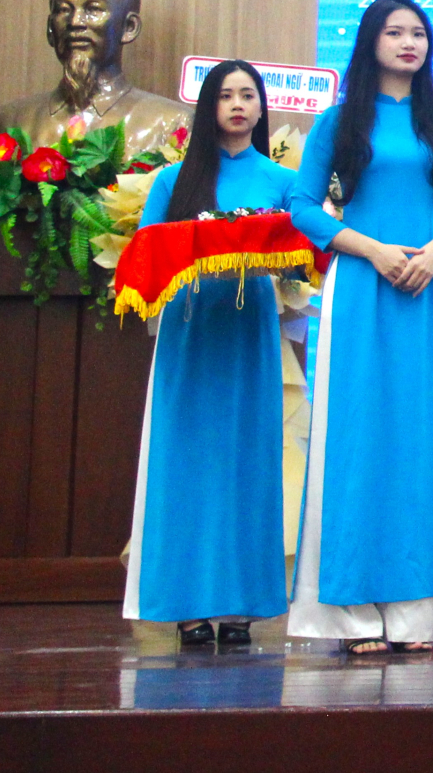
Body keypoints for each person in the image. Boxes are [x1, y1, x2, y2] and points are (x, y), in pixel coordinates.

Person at [286, 0, 433, 654]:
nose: (408, 42)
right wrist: (371, 248)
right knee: (356, 436)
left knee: (419, 442)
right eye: (394, 32)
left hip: (424, 290)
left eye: (418, 33)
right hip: (361, 288)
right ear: (370, 41)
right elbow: (303, 207)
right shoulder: (339, 120)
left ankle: (413, 615)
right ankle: (350, 611)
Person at [122, 61, 294, 648]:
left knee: (249, 462)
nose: (239, 105)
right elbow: (146, 253)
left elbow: (302, 256)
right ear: (208, 107)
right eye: (226, 96)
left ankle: (243, 605)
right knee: (187, 465)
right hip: (190, 333)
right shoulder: (175, 179)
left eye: (248, 95)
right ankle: (186, 604)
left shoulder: (280, 178)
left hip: (250, 335)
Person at [0, 0, 190, 154]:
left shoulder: (174, 125)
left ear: (129, 28)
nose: (75, 22)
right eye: (64, 9)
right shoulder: (0, 124)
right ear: (50, 29)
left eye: (93, 9)